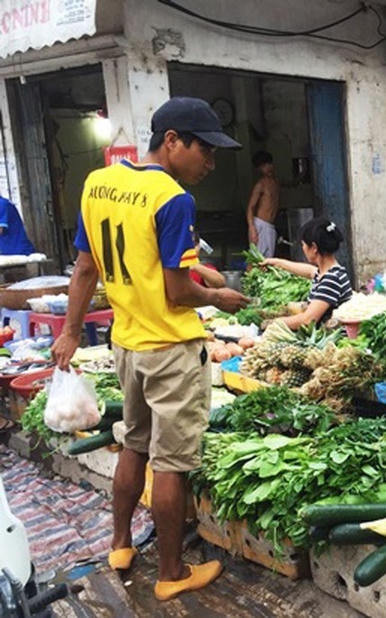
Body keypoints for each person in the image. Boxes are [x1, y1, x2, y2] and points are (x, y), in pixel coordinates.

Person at [50, 97, 249, 602]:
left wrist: (71, 332)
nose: (211, 161)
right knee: (171, 462)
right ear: (173, 140)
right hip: (170, 346)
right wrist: (218, 297)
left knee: (133, 443)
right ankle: (171, 573)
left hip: (126, 345)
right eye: (205, 149)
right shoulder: (173, 198)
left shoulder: (100, 183)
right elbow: (179, 291)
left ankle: (119, 545)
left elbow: (84, 269)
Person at [261, 217, 351, 327]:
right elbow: (309, 271)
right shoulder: (326, 272)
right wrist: (277, 262)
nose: (303, 248)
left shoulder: (332, 279)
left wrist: (272, 323)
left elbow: (308, 320)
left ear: (314, 248)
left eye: (303, 244)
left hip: (332, 340)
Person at [246, 150, 279, 258]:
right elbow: (250, 208)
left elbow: (293, 183)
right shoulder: (260, 184)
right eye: (264, 166)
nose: (268, 167)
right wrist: (252, 228)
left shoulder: (276, 182)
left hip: (270, 226)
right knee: (256, 259)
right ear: (259, 169)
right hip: (260, 225)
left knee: (269, 261)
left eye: (269, 164)